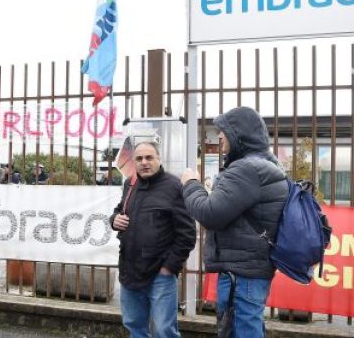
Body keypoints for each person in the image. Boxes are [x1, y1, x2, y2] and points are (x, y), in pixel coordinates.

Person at [181, 106, 287, 338]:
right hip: (249, 269)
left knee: (240, 330)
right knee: (246, 328)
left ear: (240, 134)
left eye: (224, 131)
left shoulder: (247, 169)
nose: (219, 136)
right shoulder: (265, 165)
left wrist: (191, 184)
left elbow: (210, 213)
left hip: (241, 273)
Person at [110, 141, 196, 338]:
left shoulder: (174, 187)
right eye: (139, 158)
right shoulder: (130, 184)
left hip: (160, 274)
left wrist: (169, 267)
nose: (144, 162)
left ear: (159, 159)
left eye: (149, 157)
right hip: (129, 270)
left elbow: (187, 233)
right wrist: (114, 220)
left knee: (164, 331)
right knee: (134, 325)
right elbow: (119, 210)